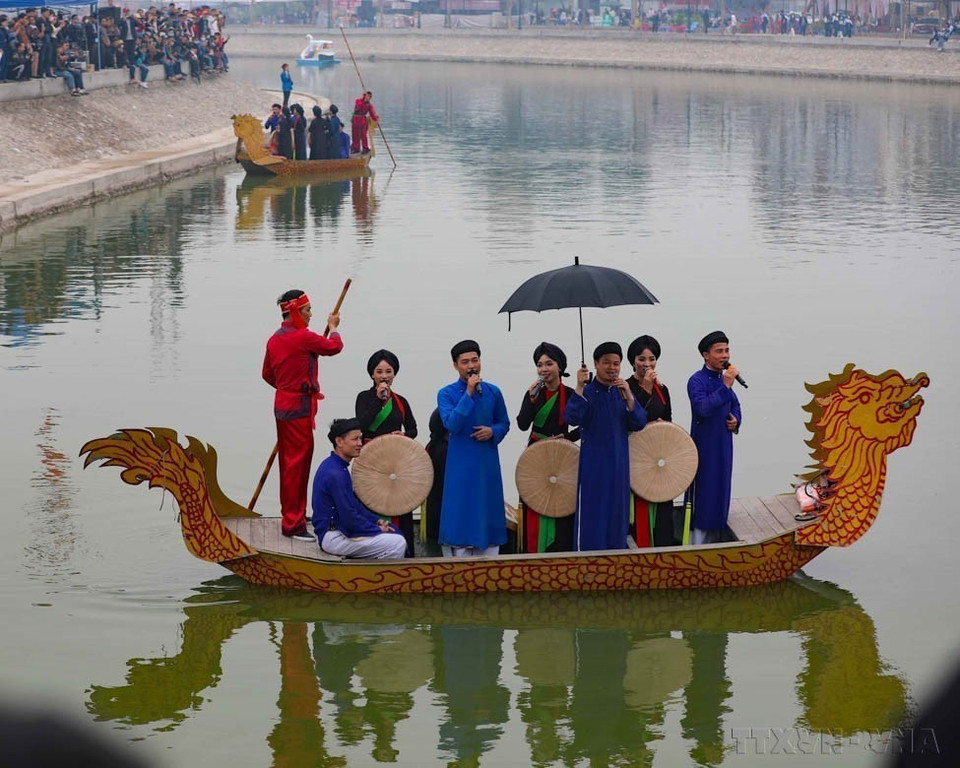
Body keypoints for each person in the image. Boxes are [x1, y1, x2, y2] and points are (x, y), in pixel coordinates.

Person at [262, 289, 344, 540]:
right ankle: (293, 524)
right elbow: (334, 346)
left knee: (289, 464)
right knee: (298, 465)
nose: (310, 315)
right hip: (298, 408)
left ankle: (292, 514)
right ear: (295, 311)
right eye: (307, 310)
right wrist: (334, 327)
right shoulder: (303, 337)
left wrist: (287, 386)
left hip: (282, 404)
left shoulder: (274, 339)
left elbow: (267, 374)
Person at [564, 342, 646, 551]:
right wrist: (579, 387)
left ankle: (615, 560)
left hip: (619, 468)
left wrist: (629, 396)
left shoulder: (621, 392)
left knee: (617, 517)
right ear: (596, 364)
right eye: (607, 363)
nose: (612, 368)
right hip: (593, 469)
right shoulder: (588, 391)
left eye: (616, 363)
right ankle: (587, 560)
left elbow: (639, 423)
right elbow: (571, 418)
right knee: (593, 516)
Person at [437, 340, 510, 557]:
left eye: (475, 360)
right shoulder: (446, 393)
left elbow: (504, 422)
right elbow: (452, 424)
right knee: (462, 510)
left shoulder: (493, 392)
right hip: (461, 464)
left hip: (486, 463)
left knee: (487, 508)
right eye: (465, 362)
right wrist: (468, 393)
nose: (471, 366)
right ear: (455, 365)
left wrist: (492, 431)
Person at [515, 341, 579, 553]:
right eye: (539, 365)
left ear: (560, 366)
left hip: (561, 455)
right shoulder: (534, 393)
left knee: (563, 501)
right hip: (536, 454)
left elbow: (585, 426)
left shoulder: (571, 394)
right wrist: (530, 400)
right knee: (534, 500)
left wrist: (567, 437)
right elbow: (522, 424)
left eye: (549, 364)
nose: (544, 369)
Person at [312, 418, 407, 559]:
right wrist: (376, 529)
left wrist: (376, 520)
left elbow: (353, 504)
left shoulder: (335, 466)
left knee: (394, 531)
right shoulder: (335, 473)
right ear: (339, 442)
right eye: (355, 439)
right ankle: (377, 573)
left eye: (360, 438)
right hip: (334, 536)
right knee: (397, 543)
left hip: (338, 531)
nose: (360, 443)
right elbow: (348, 516)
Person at [355, 348, 418, 556]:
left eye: (388, 371)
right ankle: (372, 552)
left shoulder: (401, 401)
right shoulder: (364, 398)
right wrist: (378, 399)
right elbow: (361, 425)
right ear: (372, 374)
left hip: (396, 463)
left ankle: (405, 552)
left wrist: (404, 435)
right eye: (379, 372)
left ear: (394, 374)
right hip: (372, 463)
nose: (384, 376)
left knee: (401, 505)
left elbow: (413, 429)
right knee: (371, 504)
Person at [686, 331, 743, 545]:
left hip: (724, 446)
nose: (725, 355)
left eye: (726, 350)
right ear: (705, 355)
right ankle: (697, 544)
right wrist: (725, 386)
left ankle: (718, 542)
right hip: (704, 447)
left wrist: (736, 420)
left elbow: (735, 404)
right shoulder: (696, 381)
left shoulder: (722, 379)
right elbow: (702, 409)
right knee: (705, 494)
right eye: (719, 351)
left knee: (721, 491)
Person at [626, 334, 674, 547]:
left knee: (663, 508)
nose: (647, 364)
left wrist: (662, 425)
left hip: (658, 456)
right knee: (638, 508)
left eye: (652, 359)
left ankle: (663, 548)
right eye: (642, 359)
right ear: (633, 361)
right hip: (635, 456)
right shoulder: (625, 387)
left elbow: (669, 420)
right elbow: (630, 420)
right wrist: (645, 389)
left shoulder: (662, 390)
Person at [350, 90, 378, 155]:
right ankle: (356, 148)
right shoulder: (358, 101)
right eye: (368, 96)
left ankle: (365, 148)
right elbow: (359, 107)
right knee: (355, 134)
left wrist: (376, 119)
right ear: (365, 96)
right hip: (356, 119)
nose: (369, 98)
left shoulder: (369, 105)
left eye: (370, 97)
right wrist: (364, 100)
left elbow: (372, 114)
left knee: (363, 135)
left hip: (362, 120)